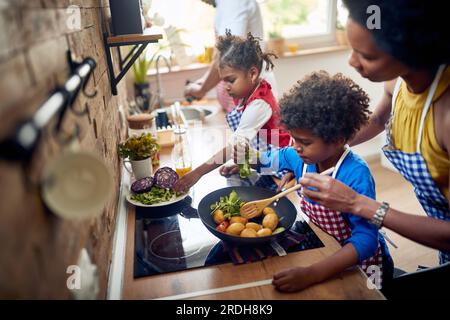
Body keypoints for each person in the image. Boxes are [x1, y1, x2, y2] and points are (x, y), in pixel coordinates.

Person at [297, 0, 450, 296]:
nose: (352, 62)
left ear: (412, 52)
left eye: (366, 55)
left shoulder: (445, 115)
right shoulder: (398, 83)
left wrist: (358, 204)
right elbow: (380, 118)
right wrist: (319, 148)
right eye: (351, 48)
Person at [256, 71, 392, 292]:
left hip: (360, 265)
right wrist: (243, 161)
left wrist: (313, 273)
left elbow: (367, 240)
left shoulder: (355, 174)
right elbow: (271, 159)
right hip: (324, 247)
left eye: (305, 142)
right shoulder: (300, 157)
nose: (296, 147)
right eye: (293, 139)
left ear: (338, 139)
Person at [174, 31, 291, 193]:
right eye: (224, 81)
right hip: (267, 160)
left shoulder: (259, 104)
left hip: (283, 165)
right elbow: (254, 139)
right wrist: (244, 163)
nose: (226, 86)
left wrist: (198, 173)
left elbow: (233, 146)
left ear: (252, 73)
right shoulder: (248, 93)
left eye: (231, 80)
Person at [185, 0, 278, 112]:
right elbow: (222, 53)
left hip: (251, 96)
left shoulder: (232, 3)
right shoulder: (226, 4)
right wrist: (203, 81)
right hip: (243, 98)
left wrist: (201, 90)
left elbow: (227, 55)